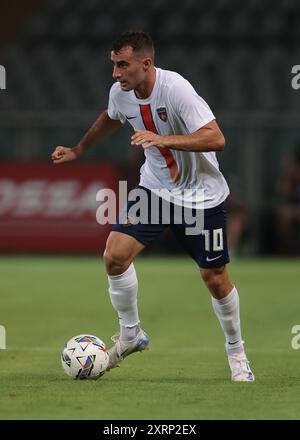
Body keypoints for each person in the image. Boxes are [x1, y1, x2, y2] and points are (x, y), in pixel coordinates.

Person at [51, 31, 254, 382]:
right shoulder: (122, 93)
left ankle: (237, 353)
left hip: (202, 198)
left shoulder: (176, 90)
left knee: (215, 279)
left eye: (122, 65)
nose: (116, 73)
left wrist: (163, 139)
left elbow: (216, 138)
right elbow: (111, 116)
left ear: (145, 63)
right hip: (156, 192)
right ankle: (131, 334)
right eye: (114, 65)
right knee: (114, 256)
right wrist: (78, 149)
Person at [277, 143, 300, 255]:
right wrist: (289, 173)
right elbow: (284, 191)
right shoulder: (293, 172)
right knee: (284, 215)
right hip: (294, 205)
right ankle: (289, 252)